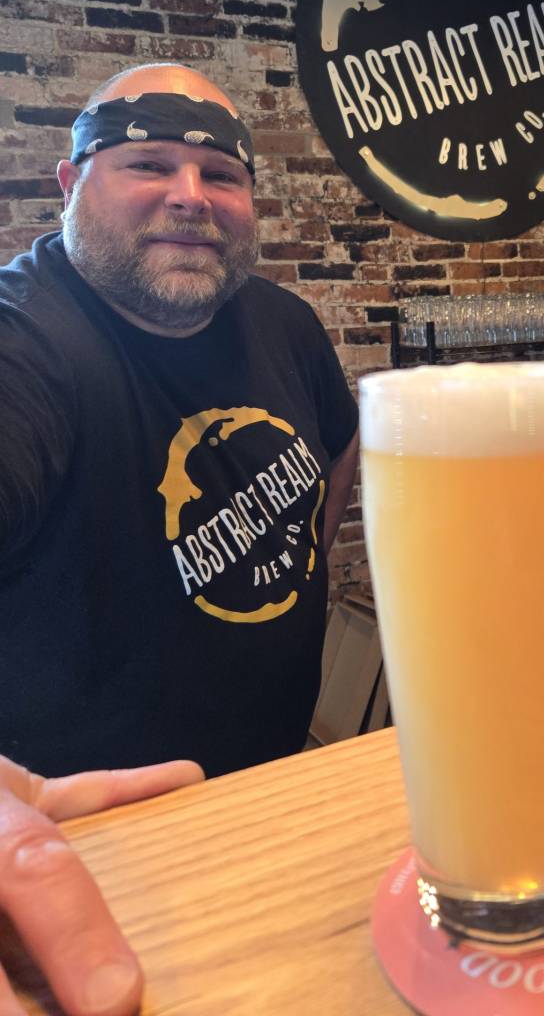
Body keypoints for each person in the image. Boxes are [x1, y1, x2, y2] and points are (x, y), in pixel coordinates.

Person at [0, 63, 359, 1015]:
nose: (191, 197)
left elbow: (339, 443)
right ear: (70, 185)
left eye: (222, 174)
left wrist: (306, 563)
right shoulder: (25, 341)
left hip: (279, 798)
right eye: (148, 162)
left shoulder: (283, 322)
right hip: (97, 865)